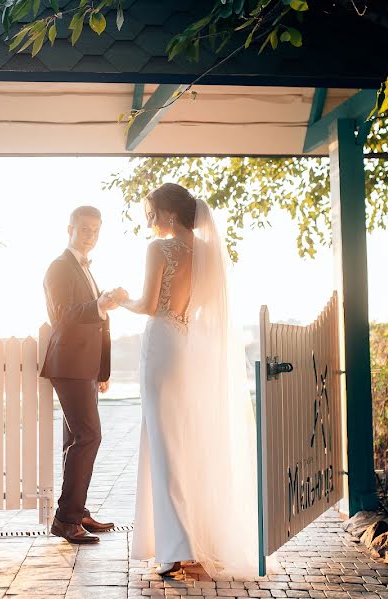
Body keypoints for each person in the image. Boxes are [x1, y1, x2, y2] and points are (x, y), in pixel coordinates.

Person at [112, 183, 259, 577]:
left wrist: (119, 299)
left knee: (164, 443)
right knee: (186, 441)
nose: (152, 220)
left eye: (154, 213)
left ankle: (174, 548)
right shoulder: (210, 254)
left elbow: (146, 304)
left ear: (170, 214)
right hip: (187, 344)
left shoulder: (158, 249)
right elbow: (208, 306)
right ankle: (195, 540)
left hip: (162, 343)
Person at [40, 205, 119, 544]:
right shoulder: (59, 267)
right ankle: (66, 517)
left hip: (84, 366)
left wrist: (102, 370)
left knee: (77, 439)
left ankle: (77, 510)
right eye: (85, 228)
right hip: (69, 364)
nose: (91, 234)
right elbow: (62, 315)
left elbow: (97, 325)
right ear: (69, 227)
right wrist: (100, 305)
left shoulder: (85, 267)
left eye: (96, 229)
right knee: (89, 436)